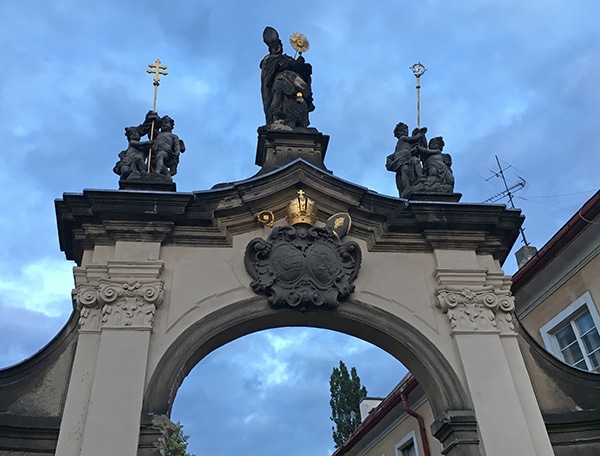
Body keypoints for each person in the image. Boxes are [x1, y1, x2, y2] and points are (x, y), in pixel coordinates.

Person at [260, 26, 314, 129]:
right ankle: (277, 115)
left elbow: (302, 69)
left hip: (296, 85)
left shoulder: (288, 58)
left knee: (297, 100)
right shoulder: (269, 59)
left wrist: (302, 65)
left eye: (278, 45)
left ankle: (298, 118)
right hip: (280, 83)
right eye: (274, 46)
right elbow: (278, 66)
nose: (277, 48)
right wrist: (293, 64)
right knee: (278, 85)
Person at [386, 122, 426, 197]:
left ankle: (420, 177)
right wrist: (420, 134)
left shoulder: (405, 143)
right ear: (398, 134)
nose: (405, 131)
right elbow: (414, 139)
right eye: (402, 130)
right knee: (404, 170)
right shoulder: (403, 138)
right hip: (401, 159)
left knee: (415, 161)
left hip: (408, 158)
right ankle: (406, 188)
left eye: (406, 130)